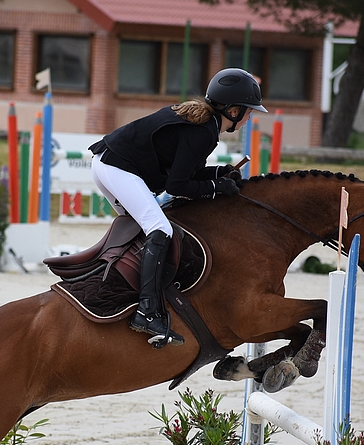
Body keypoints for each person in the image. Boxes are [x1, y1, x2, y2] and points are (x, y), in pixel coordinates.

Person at [89, 67, 266, 348]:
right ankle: (147, 312)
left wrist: (219, 173)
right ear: (233, 111)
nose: (249, 119)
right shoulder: (203, 131)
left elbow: (186, 171)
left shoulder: (204, 123)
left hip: (107, 164)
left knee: (143, 230)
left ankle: (128, 292)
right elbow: (178, 186)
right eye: (249, 112)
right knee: (159, 228)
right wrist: (216, 188)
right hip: (116, 167)